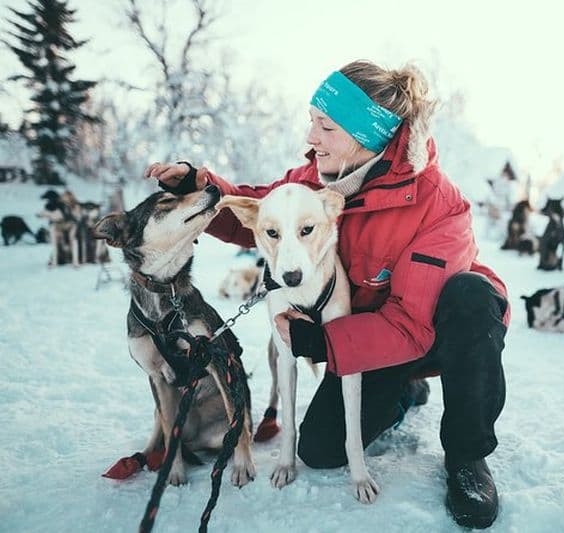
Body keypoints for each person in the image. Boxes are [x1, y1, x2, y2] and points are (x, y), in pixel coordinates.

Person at [145, 60, 509, 529]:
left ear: (367, 136)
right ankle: (402, 391)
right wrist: (203, 190)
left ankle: (467, 455)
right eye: (312, 122)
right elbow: (261, 212)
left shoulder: (438, 202)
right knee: (320, 450)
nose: (312, 137)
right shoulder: (316, 175)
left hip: (433, 333)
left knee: (472, 296)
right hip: (363, 336)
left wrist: (320, 345)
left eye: (326, 126)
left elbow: (411, 324)